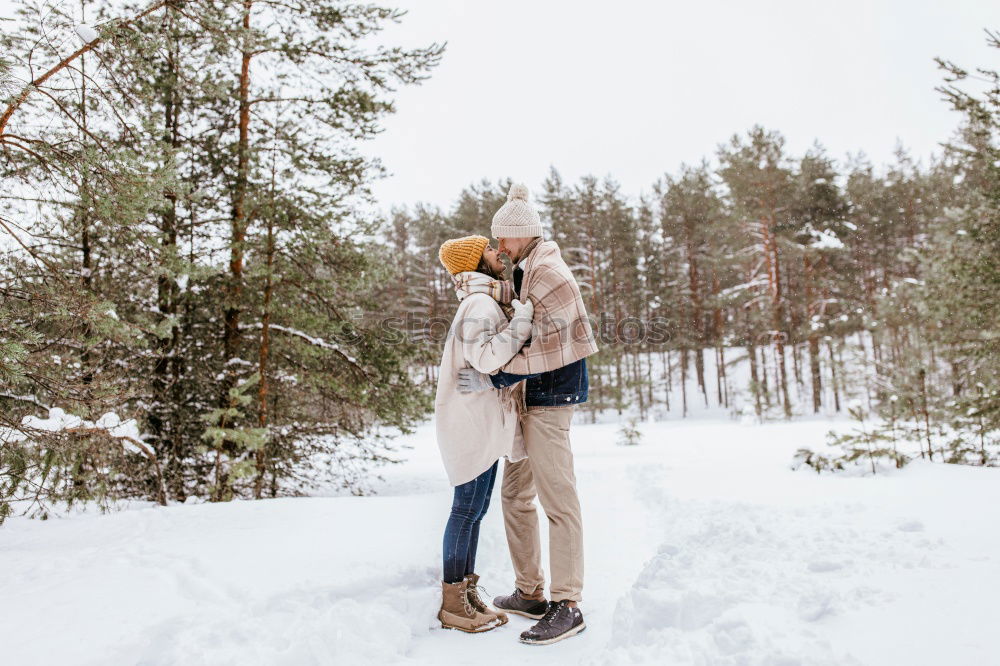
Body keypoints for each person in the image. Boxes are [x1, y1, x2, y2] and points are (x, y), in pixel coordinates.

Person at [457, 183, 599, 646]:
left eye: (503, 239)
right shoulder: (526, 267)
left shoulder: (548, 273)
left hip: (552, 397)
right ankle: (530, 592)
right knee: (516, 496)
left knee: (559, 500)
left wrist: (493, 376)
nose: (499, 247)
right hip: (528, 395)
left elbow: (550, 346)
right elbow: (509, 302)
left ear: (521, 235)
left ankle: (567, 603)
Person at [434, 234, 535, 633]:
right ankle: (453, 603)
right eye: (490, 250)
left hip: (477, 423)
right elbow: (487, 357)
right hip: (469, 426)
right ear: (476, 261)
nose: (499, 253)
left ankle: (465, 594)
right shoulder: (479, 303)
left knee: (473, 512)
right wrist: (523, 321)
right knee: (465, 511)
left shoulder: (483, 301)